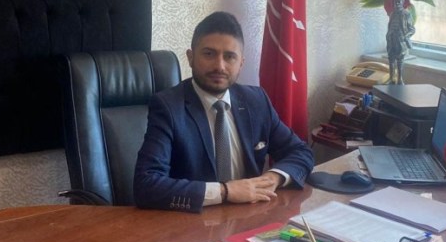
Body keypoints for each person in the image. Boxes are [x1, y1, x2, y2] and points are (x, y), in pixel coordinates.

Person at [133, 11, 314, 212]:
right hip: (194, 221)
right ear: (191, 57)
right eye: (209, 54)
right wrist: (225, 191)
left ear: (241, 63)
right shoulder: (168, 107)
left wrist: (274, 178)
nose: (219, 66)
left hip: (249, 215)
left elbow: (300, 152)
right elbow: (146, 186)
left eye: (229, 57)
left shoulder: (256, 101)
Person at [386, 0, 415, 84]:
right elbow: (389, 26)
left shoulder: (406, 14)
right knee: (391, 60)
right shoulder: (392, 14)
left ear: (402, 2)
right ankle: (391, 79)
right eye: (395, 1)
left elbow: (412, 29)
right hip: (391, 40)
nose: (397, 3)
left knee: (400, 61)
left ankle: (399, 79)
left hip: (400, 41)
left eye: (399, 1)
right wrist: (388, 35)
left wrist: (405, 37)